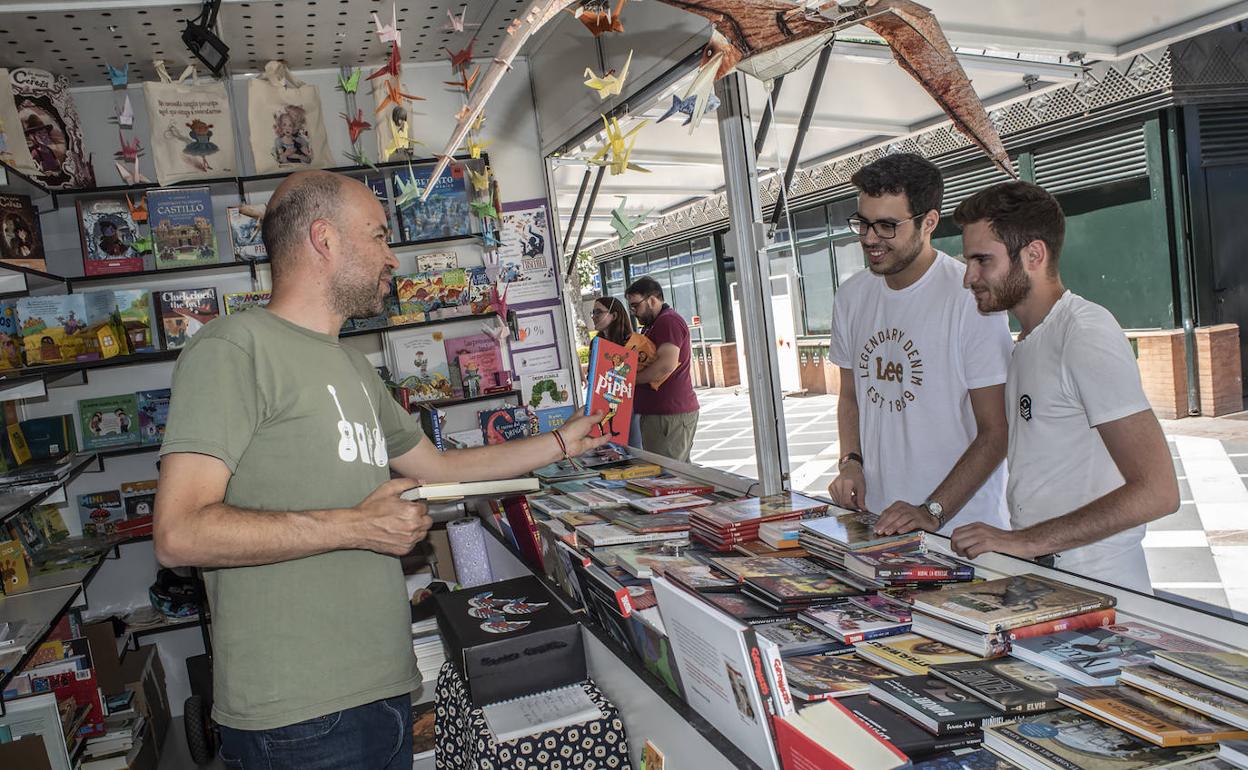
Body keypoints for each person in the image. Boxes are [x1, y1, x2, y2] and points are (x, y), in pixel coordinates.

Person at [153, 170, 609, 769]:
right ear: (325, 239)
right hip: (297, 717)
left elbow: (441, 466)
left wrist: (560, 443)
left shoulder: (354, 367)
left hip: (385, 692)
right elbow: (179, 532)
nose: (391, 257)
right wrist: (356, 526)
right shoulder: (232, 349)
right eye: (378, 235)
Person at [950, 180, 1178, 592]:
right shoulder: (1029, 340)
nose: (969, 277)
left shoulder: (1084, 333)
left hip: (1100, 586)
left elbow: (1158, 491)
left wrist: (1023, 540)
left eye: (983, 260)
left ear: (1034, 254)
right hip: (1048, 578)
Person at [826, 153, 1013, 536]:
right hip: (877, 522)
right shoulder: (851, 297)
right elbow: (850, 396)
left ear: (929, 222)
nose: (869, 238)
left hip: (959, 531)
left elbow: (997, 430)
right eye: (862, 223)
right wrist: (851, 461)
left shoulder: (971, 297)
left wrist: (933, 510)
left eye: (887, 226)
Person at [626, 277, 700, 462]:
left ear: (652, 300)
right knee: (676, 474)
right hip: (660, 414)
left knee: (669, 476)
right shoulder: (654, 325)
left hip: (668, 415)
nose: (633, 312)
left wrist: (631, 379)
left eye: (636, 306)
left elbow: (666, 365)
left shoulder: (668, 322)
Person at [591, 295, 656, 448]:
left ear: (614, 315)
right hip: (603, 403)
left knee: (634, 451)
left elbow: (653, 371)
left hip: (631, 406)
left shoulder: (635, 342)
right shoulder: (596, 342)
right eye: (593, 313)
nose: (594, 317)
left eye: (598, 312)